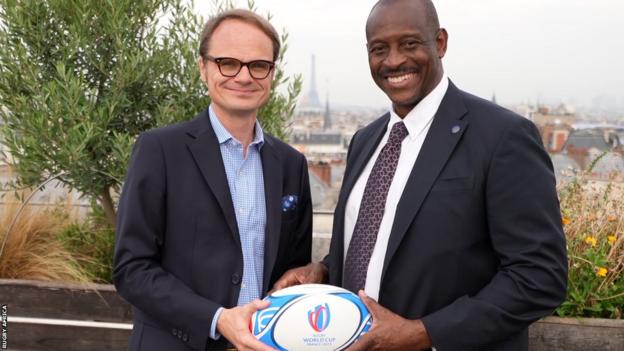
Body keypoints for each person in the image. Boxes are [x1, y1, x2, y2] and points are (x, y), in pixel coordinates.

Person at [273, 0, 567, 350]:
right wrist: (323, 270)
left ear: (440, 42)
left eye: (410, 44)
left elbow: (539, 276)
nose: (394, 60)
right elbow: (377, 243)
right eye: (379, 49)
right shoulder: (364, 141)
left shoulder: (503, 137)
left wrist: (425, 333)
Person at [113, 9, 312, 351]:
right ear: (203, 67)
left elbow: (293, 269)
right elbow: (131, 268)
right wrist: (218, 318)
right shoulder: (160, 150)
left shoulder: (291, 165)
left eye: (258, 65)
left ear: (272, 74)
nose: (244, 76)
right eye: (227, 63)